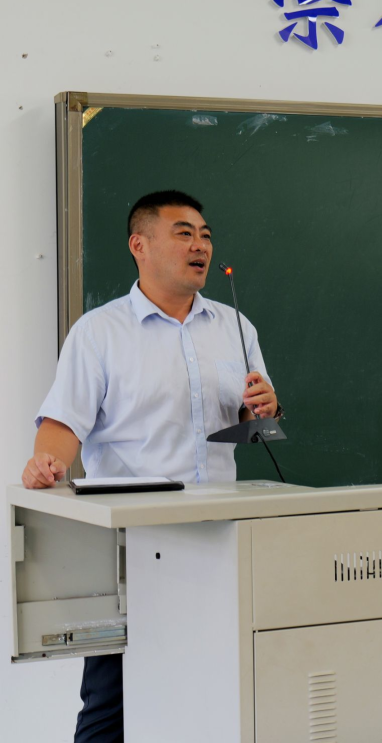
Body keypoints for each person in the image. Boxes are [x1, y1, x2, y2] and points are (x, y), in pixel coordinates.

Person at [21, 190, 283, 743]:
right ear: (139, 245)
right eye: (184, 233)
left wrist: (264, 408)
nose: (200, 245)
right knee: (111, 705)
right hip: (132, 550)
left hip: (222, 541)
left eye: (206, 235)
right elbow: (63, 426)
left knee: (219, 699)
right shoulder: (99, 332)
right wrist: (47, 464)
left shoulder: (236, 326)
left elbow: (252, 420)